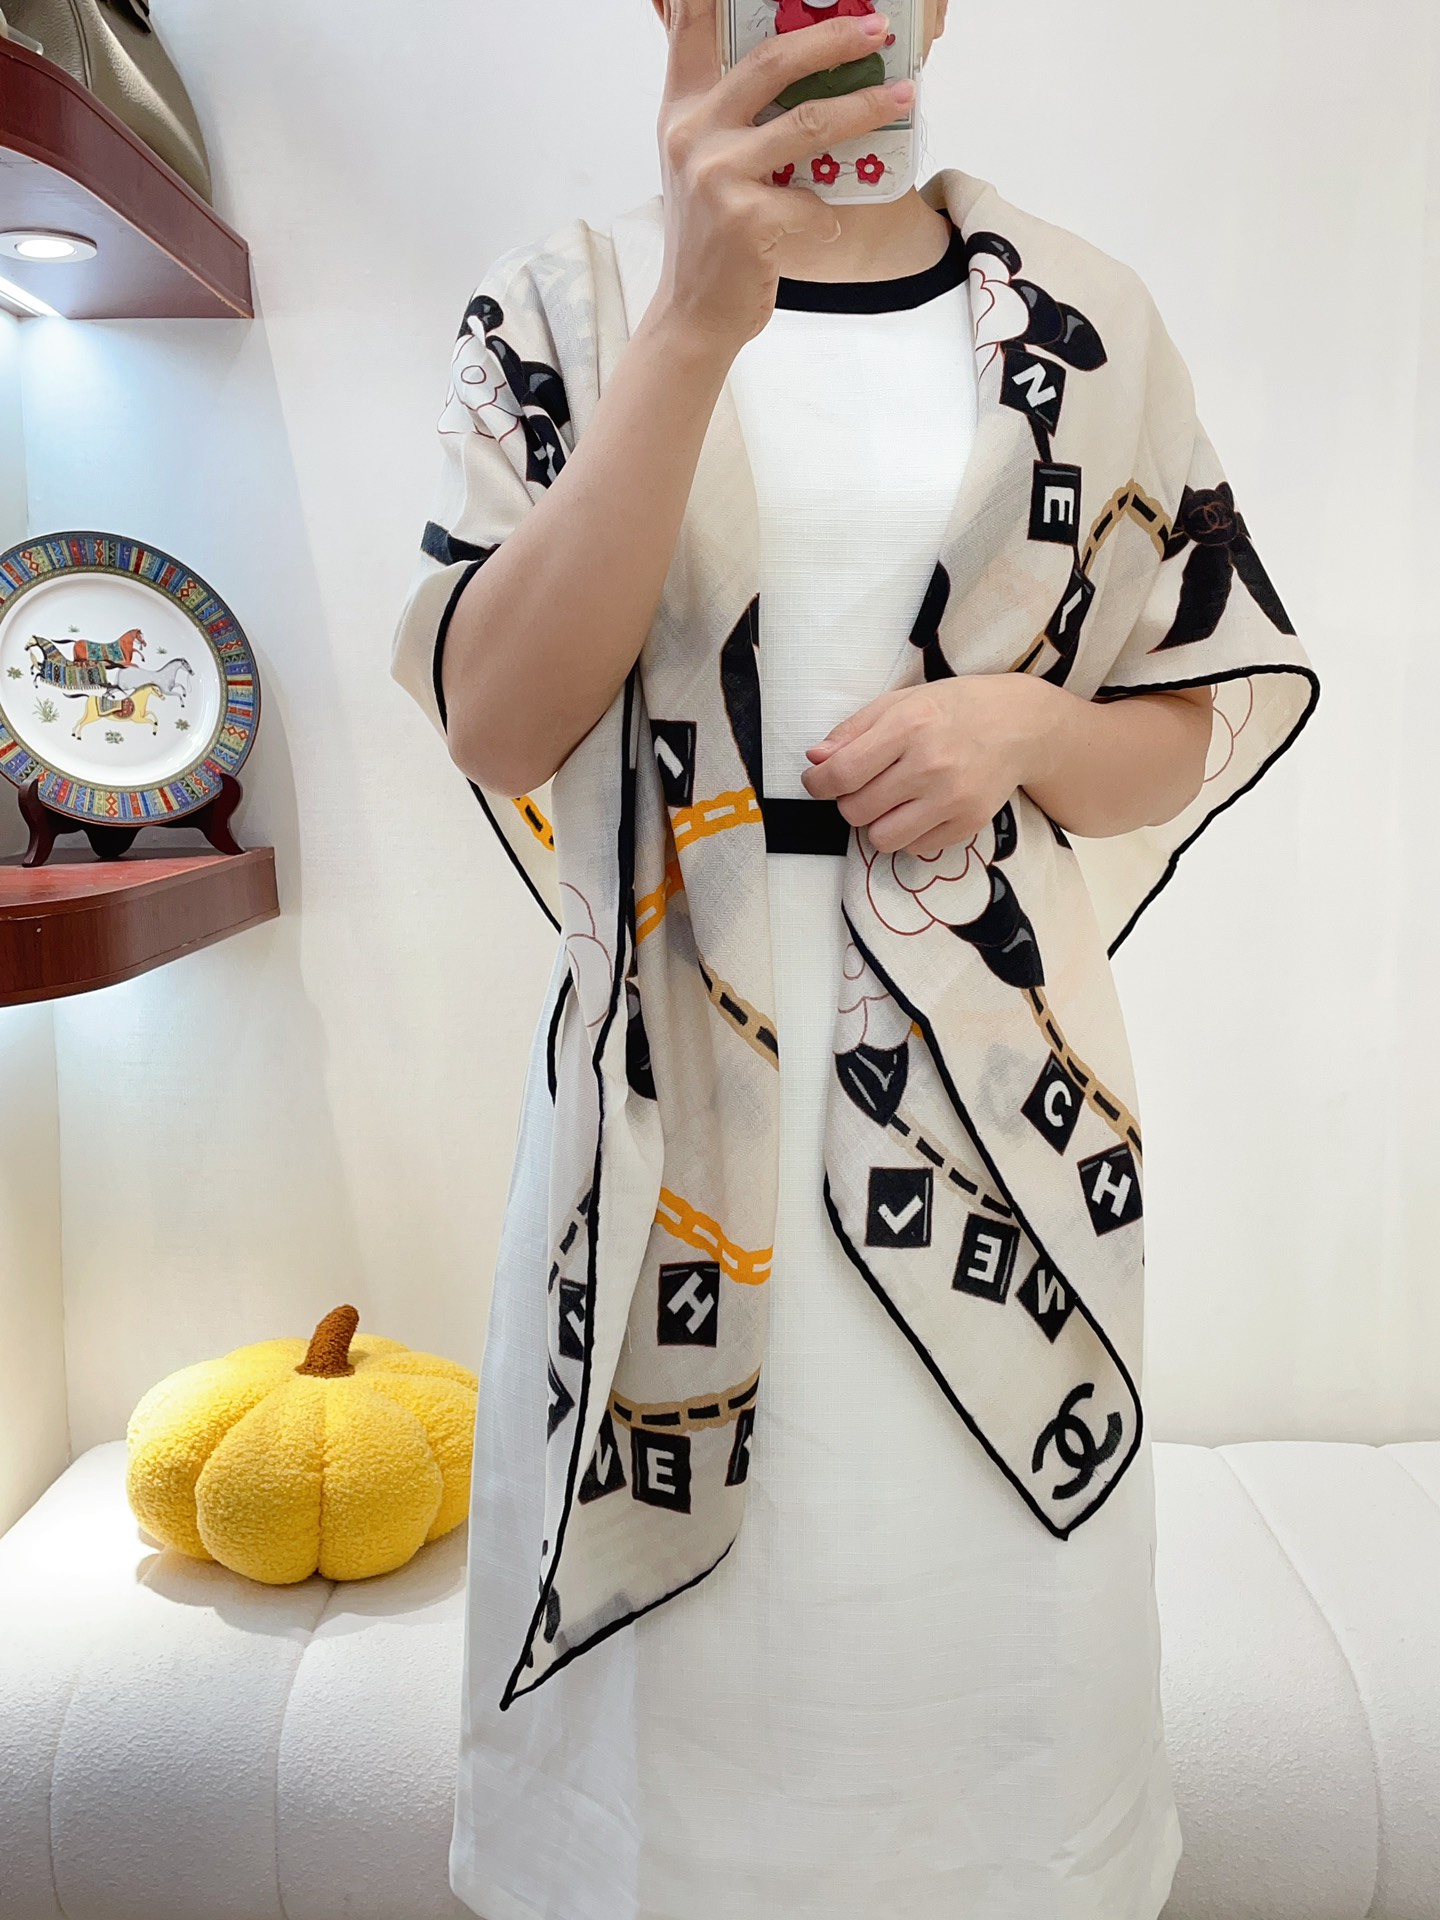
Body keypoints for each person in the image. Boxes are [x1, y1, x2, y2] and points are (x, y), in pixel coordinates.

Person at [390, 3, 1318, 1916]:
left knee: (994, 1697)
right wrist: (690, 322)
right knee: (668, 1782)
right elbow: (496, 717)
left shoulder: (1086, 321)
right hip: (665, 1147)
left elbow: (1191, 715)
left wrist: (1025, 729)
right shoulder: (568, 308)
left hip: (1000, 1145)